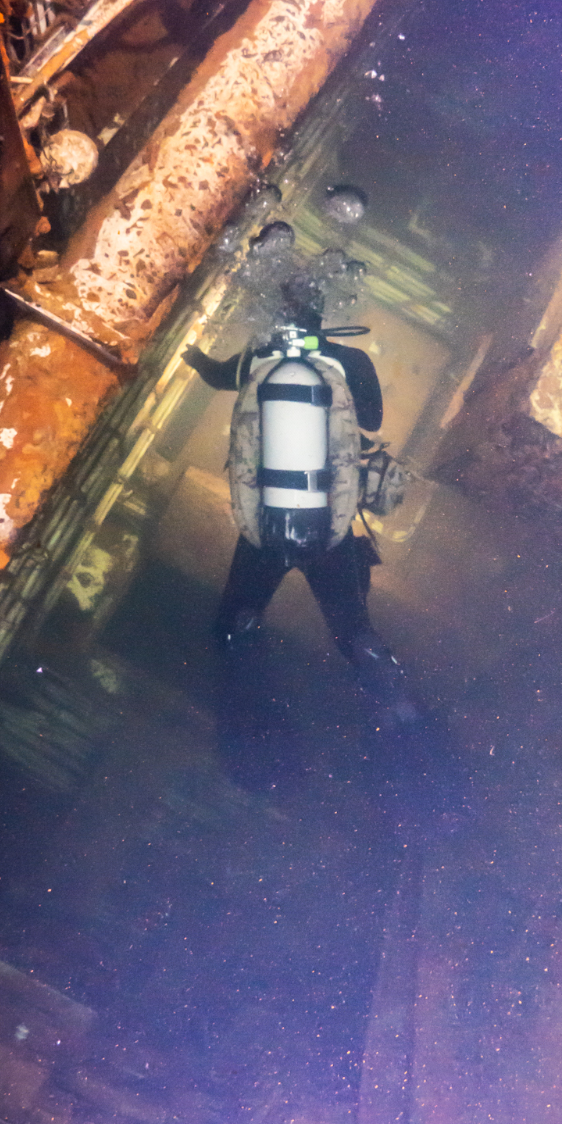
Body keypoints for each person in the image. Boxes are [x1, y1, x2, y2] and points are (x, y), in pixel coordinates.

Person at [182, 231, 420, 764]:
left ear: (278, 314)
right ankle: (402, 719)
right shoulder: (351, 359)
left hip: (264, 527)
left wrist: (193, 355)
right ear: (322, 313)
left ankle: (250, 717)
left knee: (236, 622)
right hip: (332, 529)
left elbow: (217, 376)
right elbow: (374, 422)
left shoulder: (258, 356)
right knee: (354, 630)